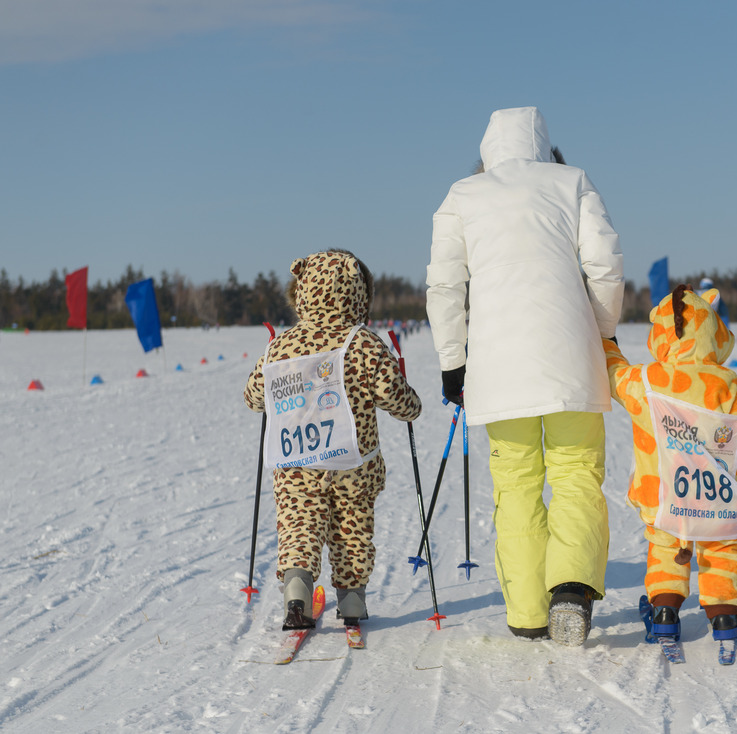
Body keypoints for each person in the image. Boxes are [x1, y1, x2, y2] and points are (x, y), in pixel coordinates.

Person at [426, 106, 624, 645]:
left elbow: (445, 287)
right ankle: (571, 589)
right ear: (543, 147)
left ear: (488, 153)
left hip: (496, 369)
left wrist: (451, 363)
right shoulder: (572, 181)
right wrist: (604, 331)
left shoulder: (462, 196)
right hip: (573, 363)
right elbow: (604, 265)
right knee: (577, 473)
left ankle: (530, 612)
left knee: (514, 486)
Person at [244, 249, 422, 630]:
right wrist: (412, 407)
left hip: (297, 463)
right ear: (358, 294)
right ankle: (353, 602)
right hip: (353, 463)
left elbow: (254, 396)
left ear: (302, 291)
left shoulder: (281, 346)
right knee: (352, 528)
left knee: (298, 524)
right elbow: (394, 394)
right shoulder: (365, 343)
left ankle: (297, 594)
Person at [603, 284, 737, 643]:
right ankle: (724, 618)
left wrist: (607, 342)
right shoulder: (726, 385)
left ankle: (665, 613)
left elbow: (614, 375)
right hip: (720, 497)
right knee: (721, 551)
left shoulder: (647, 381)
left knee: (668, 548)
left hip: (667, 497)